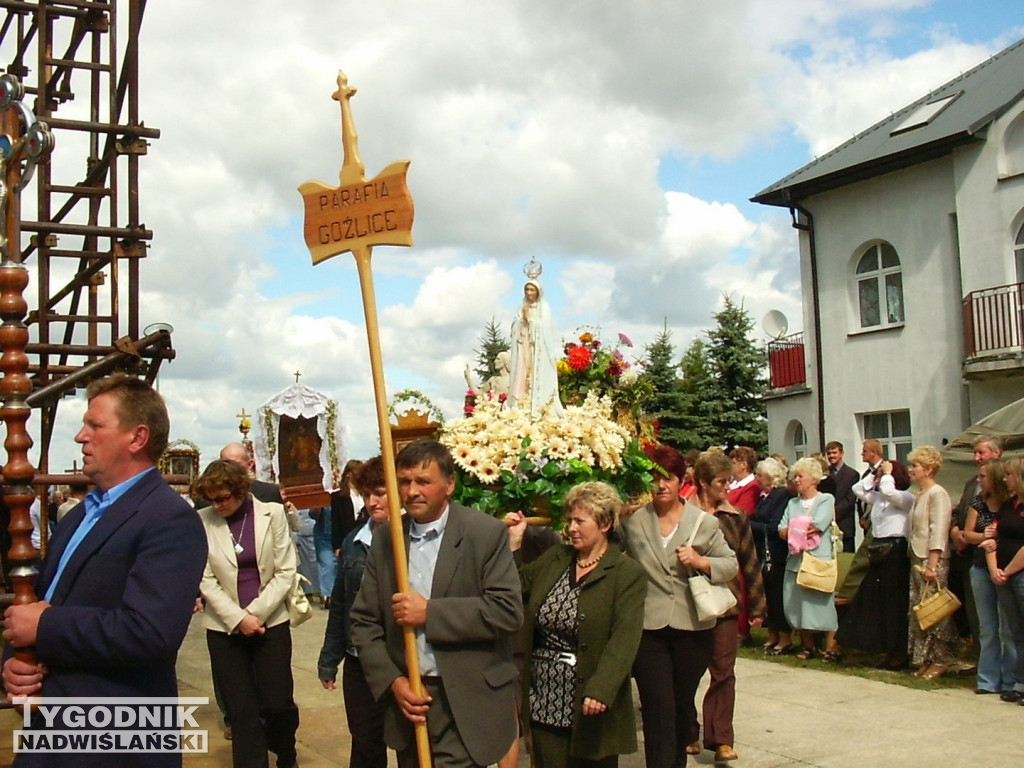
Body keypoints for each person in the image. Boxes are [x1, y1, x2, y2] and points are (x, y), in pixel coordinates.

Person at [1, 374, 208, 767]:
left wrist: (46, 628)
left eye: (95, 426)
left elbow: (150, 632)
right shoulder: (80, 515)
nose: (80, 436)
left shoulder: (168, 519)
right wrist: (14, 663)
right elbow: (42, 601)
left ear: (137, 437)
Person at [350, 440, 523, 768]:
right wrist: (393, 681)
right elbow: (364, 622)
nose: (412, 491)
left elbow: (506, 611)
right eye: (404, 481)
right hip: (412, 701)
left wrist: (430, 613)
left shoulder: (482, 534)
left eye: (423, 481)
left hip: (465, 697)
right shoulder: (389, 539)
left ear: (449, 484)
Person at [506, 482, 646, 768]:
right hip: (544, 695)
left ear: (605, 523)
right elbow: (516, 586)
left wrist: (601, 690)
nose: (571, 528)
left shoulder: (625, 573)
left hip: (590, 701)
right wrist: (514, 544)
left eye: (580, 521)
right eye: (569, 520)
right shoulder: (557, 559)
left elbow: (624, 638)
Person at [620, 445, 738, 768]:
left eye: (668, 479)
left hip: (692, 629)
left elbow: (730, 565)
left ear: (680, 480)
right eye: (655, 479)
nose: (661, 486)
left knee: (680, 705)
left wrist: (701, 561)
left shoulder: (703, 523)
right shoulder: (634, 523)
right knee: (657, 707)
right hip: (649, 629)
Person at [195, 459, 299, 768]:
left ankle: (286, 752)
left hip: (271, 621)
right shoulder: (202, 521)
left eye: (223, 497)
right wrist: (238, 619)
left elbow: (286, 570)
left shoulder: (273, 513)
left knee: (278, 702)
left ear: (240, 490)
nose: (218, 505)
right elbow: (203, 578)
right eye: (212, 499)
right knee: (241, 711)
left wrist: (255, 613)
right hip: (224, 627)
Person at [687, 451, 765, 763]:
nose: (728, 487)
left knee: (723, 673)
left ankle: (720, 738)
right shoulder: (681, 514)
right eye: (721, 481)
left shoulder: (736, 517)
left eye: (729, 480)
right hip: (686, 604)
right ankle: (687, 731)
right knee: (686, 673)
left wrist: (758, 606)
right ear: (703, 483)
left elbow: (750, 560)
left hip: (724, 605)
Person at [318, 457, 390, 768]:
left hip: (400, 659)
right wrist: (330, 657)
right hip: (359, 659)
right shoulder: (354, 541)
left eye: (381, 493)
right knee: (365, 743)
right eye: (367, 495)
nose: (373, 503)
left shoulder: (417, 539)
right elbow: (342, 604)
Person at [835, 457, 913, 670]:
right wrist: (875, 473)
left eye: (883, 475)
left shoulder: (905, 498)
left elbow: (890, 492)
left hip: (895, 551)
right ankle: (877, 650)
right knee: (872, 600)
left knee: (893, 604)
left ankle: (897, 653)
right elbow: (858, 488)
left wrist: (887, 473)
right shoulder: (879, 498)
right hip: (878, 550)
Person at [898, 447, 956, 680]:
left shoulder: (937, 493)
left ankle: (941, 659)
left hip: (932, 559)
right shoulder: (920, 494)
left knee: (936, 610)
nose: (911, 470)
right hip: (916, 557)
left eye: (915, 466)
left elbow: (939, 530)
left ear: (929, 469)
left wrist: (933, 563)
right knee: (921, 610)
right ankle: (926, 658)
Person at [963, 458, 1016, 695]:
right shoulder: (978, 503)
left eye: (983, 476)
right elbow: (967, 534)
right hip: (981, 568)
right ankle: (987, 679)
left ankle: (1011, 679)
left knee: (1008, 627)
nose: (979, 480)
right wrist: (983, 536)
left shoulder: (1009, 504)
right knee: (987, 626)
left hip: (1006, 569)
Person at [778, 457, 837, 661]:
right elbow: (782, 528)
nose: (796, 480)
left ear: (813, 479)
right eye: (795, 476)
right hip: (795, 560)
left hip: (817, 561)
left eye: (800, 476)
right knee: (797, 603)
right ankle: (808, 645)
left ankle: (832, 648)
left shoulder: (826, 499)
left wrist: (795, 528)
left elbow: (817, 525)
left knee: (822, 602)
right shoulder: (792, 502)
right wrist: (797, 528)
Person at [951, 435, 1003, 651]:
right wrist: (955, 530)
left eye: (981, 452)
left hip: (1000, 560)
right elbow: (960, 510)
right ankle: (982, 658)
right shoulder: (972, 484)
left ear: (996, 453)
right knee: (977, 614)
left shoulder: (1008, 485)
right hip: (971, 558)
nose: (976, 457)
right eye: (975, 453)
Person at [985, 456, 1024, 703]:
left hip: (1018, 573)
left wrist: (1007, 570)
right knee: (1016, 632)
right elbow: (994, 536)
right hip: (1003, 574)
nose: (1005, 478)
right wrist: (994, 570)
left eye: (1009, 474)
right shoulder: (1009, 505)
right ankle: (1019, 682)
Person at [750, 457, 794, 654]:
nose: (757, 478)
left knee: (777, 596)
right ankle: (772, 636)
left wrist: (748, 524)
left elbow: (774, 526)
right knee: (767, 595)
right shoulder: (764, 496)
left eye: (760, 475)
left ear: (771, 477)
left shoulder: (782, 495)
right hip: (761, 551)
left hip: (776, 553)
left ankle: (785, 639)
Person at [508, 278, 564, 417]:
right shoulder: (522, 306)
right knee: (522, 372)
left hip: (538, 348)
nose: (529, 293)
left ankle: (538, 406)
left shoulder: (543, 308)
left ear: (538, 292)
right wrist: (521, 321)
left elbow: (545, 330)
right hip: (524, 345)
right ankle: (521, 403)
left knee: (535, 373)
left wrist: (529, 320)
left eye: (532, 289)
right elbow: (515, 324)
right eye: (527, 289)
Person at [825, 441, 860, 553]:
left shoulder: (852, 474)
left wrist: (832, 514)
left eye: (834, 452)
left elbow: (850, 500)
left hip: (844, 524)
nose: (831, 456)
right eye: (829, 453)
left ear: (841, 453)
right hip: (827, 525)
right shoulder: (826, 473)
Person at [726, 446, 758, 516]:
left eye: (733, 463)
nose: (730, 466)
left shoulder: (752, 486)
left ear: (743, 465)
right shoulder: (732, 483)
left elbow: (741, 512)